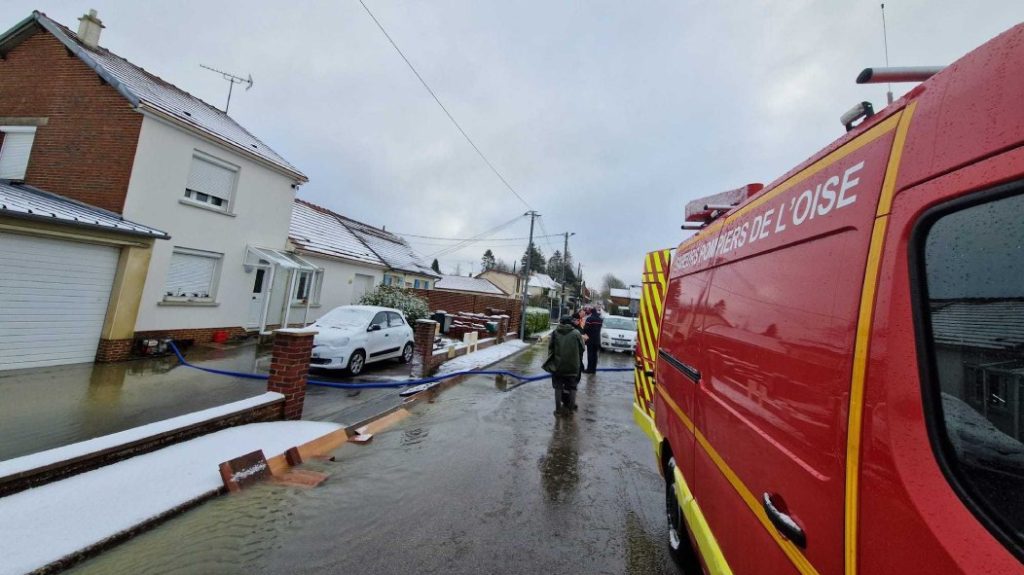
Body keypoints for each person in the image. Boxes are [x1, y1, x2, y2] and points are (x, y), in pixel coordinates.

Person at [544, 315, 586, 415]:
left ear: (561, 322)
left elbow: (551, 347)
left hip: (558, 365)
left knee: (558, 386)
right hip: (573, 365)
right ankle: (570, 410)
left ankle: (558, 410)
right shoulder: (576, 333)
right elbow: (582, 348)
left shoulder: (555, 333)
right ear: (570, 322)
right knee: (572, 387)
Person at [583, 306, 603, 373]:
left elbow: (585, 328)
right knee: (595, 355)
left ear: (591, 312)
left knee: (590, 355)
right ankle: (594, 369)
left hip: (590, 340)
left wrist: (585, 333)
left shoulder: (589, 319)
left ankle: (589, 369)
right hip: (597, 340)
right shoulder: (600, 319)